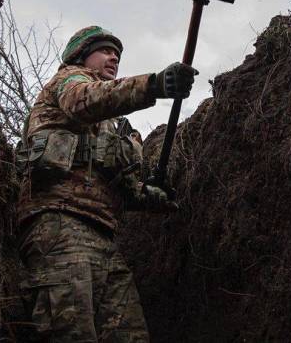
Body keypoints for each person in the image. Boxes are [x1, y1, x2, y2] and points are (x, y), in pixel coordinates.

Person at [15, 25, 197, 342]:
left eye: (117, 54)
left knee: (130, 334)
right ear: (82, 56)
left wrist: (151, 196)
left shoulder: (114, 126)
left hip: (105, 237)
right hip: (59, 224)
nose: (113, 57)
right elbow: (84, 101)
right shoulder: (69, 82)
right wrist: (154, 85)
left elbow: (122, 187)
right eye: (105, 50)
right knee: (70, 331)